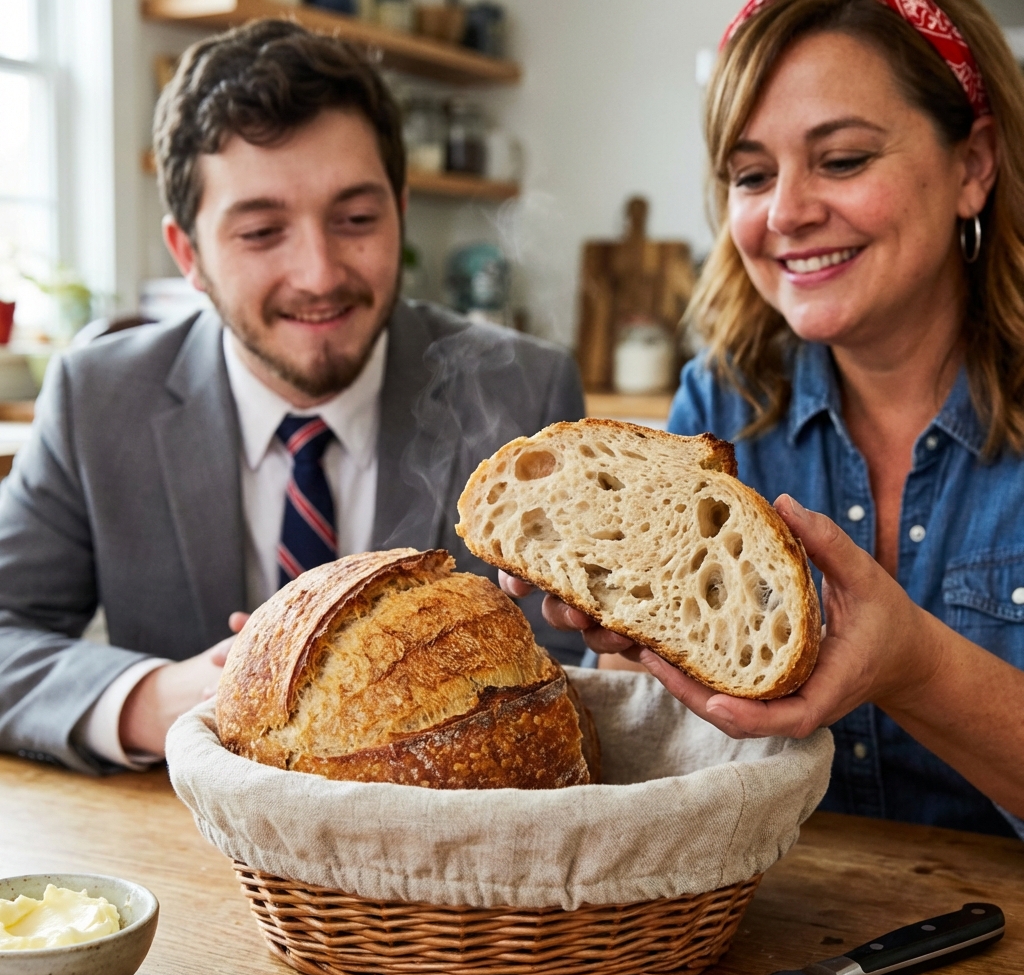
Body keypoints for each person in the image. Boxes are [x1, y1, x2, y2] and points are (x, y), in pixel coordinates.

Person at [0, 20, 584, 774]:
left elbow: (572, 675)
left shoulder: (522, 390)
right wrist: (153, 698)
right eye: (261, 231)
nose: (318, 273)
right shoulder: (97, 401)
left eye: (356, 220)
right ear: (190, 256)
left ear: (400, 211)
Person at [507, 0, 1024, 837]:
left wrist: (914, 667)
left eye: (843, 159)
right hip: (777, 929)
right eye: (751, 175)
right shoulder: (720, 408)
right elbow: (669, 760)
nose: (785, 213)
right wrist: (629, 636)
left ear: (974, 164)